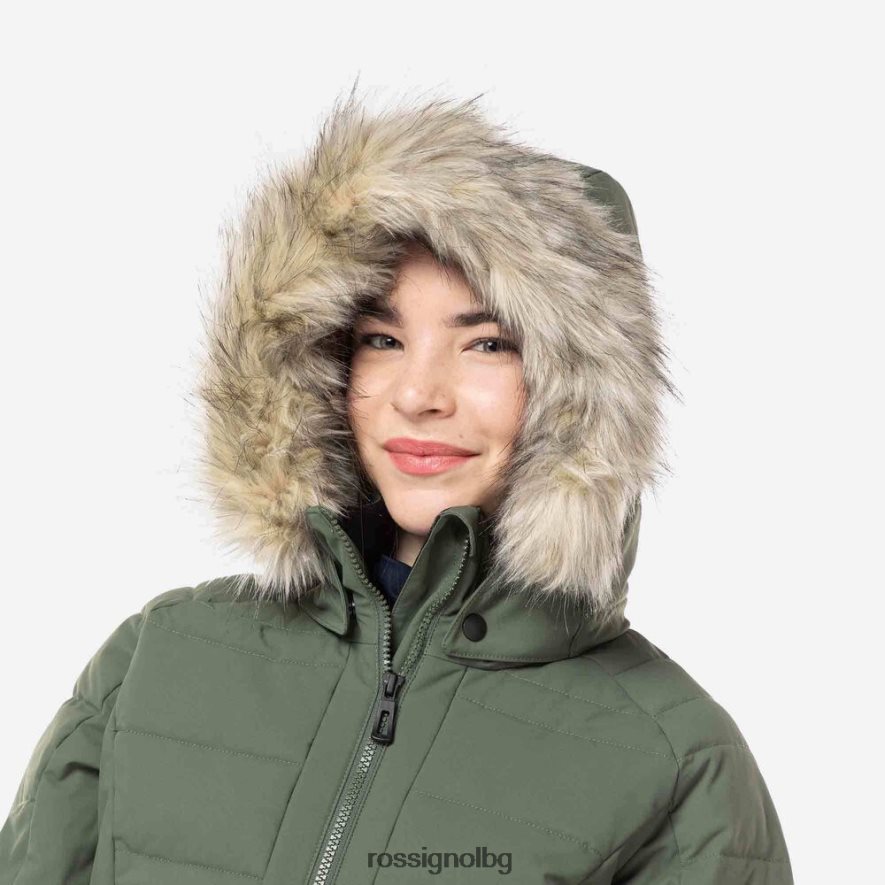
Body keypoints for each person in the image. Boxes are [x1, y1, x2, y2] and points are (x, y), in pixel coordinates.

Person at [0, 89, 793, 884]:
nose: (417, 394)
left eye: (487, 343)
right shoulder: (159, 659)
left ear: (583, 392)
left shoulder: (675, 761)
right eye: (381, 338)